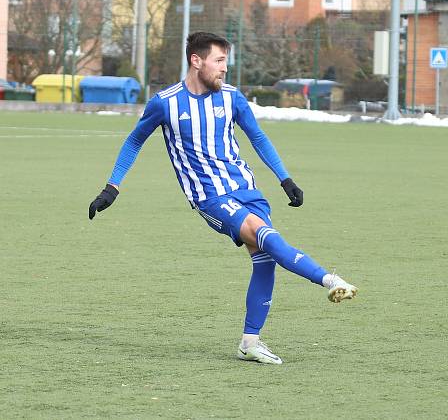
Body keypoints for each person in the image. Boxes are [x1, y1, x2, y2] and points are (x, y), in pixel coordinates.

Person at [88, 31, 357, 365]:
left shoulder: (231, 98)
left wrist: (285, 179)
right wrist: (112, 187)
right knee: (265, 236)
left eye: (225, 62)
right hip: (209, 196)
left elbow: (257, 137)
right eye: (218, 61)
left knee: (265, 259)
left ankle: (249, 343)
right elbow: (133, 142)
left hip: (247, 187)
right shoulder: (166, 102)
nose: (224, 69)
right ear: (196, 61)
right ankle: (330, 280)